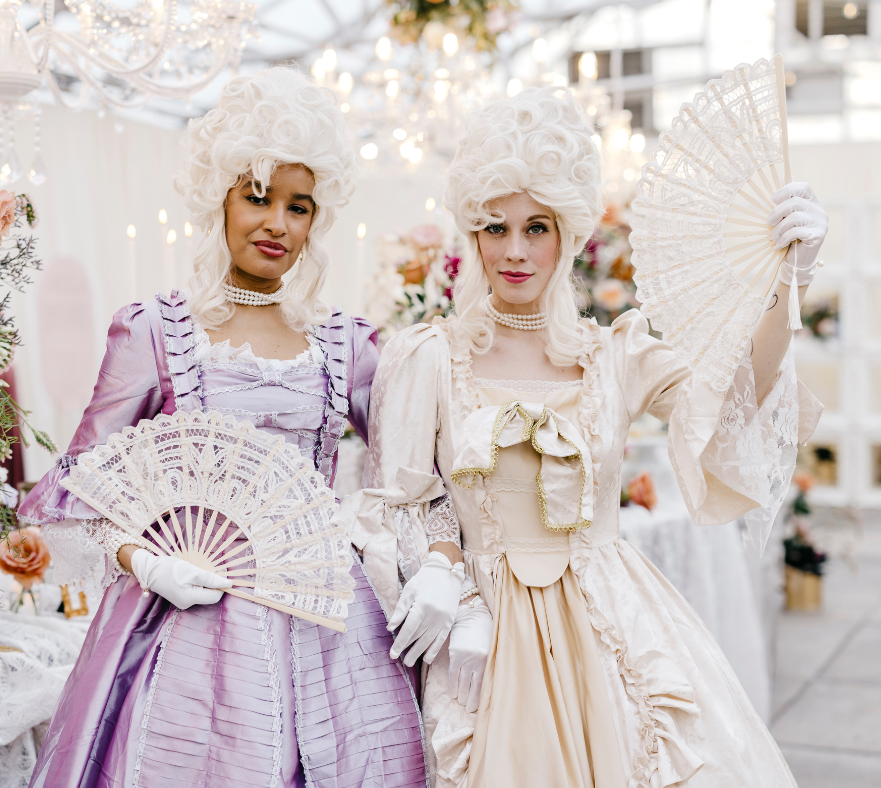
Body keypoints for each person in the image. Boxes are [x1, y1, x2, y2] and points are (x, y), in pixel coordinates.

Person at [343, 87, 826, 787]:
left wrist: (792, 279)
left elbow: (733, 400)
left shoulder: (616, 353)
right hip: (481, 640)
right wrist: (451, 579)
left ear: (569, 235)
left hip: (610, 625)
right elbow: (402, 501)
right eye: (494, 227)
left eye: (536, 227)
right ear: (470, 236)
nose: (515, 251)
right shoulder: (431, 356)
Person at [18, 68, 427, 788]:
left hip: (327, 628)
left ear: (314, 221)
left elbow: (415, 470)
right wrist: (144, 562)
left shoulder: (347, 344)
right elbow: (76, 487)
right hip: (181, 626)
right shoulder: (155, 332)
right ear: (222, 199)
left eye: (298, 207)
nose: (276, 223)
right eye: (259, 197)